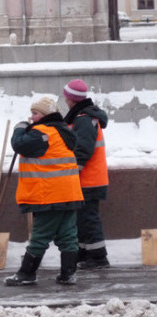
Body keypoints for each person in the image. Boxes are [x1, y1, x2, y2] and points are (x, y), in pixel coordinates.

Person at [4, 97, 84, 286]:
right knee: (68, 235)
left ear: (46, 115)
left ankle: (26, 274)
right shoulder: (63, 132)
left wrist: (19, 128)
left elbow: (19, 144)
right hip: (69, 193)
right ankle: (68, 274)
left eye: (35, 113)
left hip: (49, 195)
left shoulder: (43, 133)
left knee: (40, 235)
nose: (31, 118)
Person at [63, 79, 111, 269]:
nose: (65, 99)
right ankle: (84, 254)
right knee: (82, 218)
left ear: (71, 99)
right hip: (90, 179)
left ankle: (98, 257)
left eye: (66, 96)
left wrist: (73, 171)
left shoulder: (83, 118)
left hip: (88, 180)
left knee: (89, 219)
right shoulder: (83, 116)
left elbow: (83, 149)